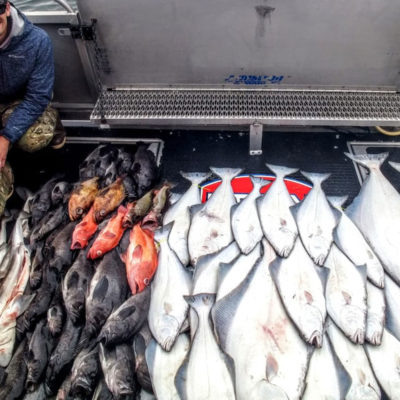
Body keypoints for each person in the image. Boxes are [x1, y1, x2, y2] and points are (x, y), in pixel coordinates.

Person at [0, 0, 65, 214]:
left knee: (34, 136)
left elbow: (37, 97)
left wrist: (6, 137)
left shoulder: (36, 41)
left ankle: (53, 124)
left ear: (7, 7)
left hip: (25, 103)